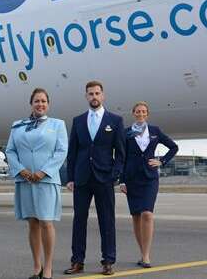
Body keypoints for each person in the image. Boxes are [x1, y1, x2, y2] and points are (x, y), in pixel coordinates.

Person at [5, 88, 67, 279]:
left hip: (46, 180)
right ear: (31, 104)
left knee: (46, 222)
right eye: (36, 101)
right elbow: (10, 150)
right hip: (25, 180)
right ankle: (36, 266)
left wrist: (44, 171)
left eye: (43, 101)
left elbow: (61, 151)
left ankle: (48, 267)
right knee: (32, 222)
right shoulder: (18, 126)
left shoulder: (57, 124)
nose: (40, 104)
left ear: (48, 104)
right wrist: (20, 170)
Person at [64, 80, 125, 276]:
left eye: (97, 93)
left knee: (107, 221)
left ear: (103, 96)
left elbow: (120, 153)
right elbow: (72, 152)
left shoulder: (115, 120)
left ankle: (108, 261)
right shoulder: (78, 121)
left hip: (104, 178)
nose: (94, 97)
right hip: (82, 178)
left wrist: (114, 175)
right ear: (86, 96)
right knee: (79, 221)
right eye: (90, 94)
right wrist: (70, 177)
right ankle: (77, 261)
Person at [119, 101, 178, 268]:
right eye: (138, 111)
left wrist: (162, 161)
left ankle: (146, 256)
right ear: (133, 113)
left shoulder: (154, 131)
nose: (141, 114)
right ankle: (142, 252)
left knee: (147, 214)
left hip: (149, 178)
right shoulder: (126, 133)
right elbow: (121, 157)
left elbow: (173, 147)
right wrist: (121, 180)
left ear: (147, 114)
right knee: (136, 217)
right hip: (131, 179)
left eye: (143, 111)